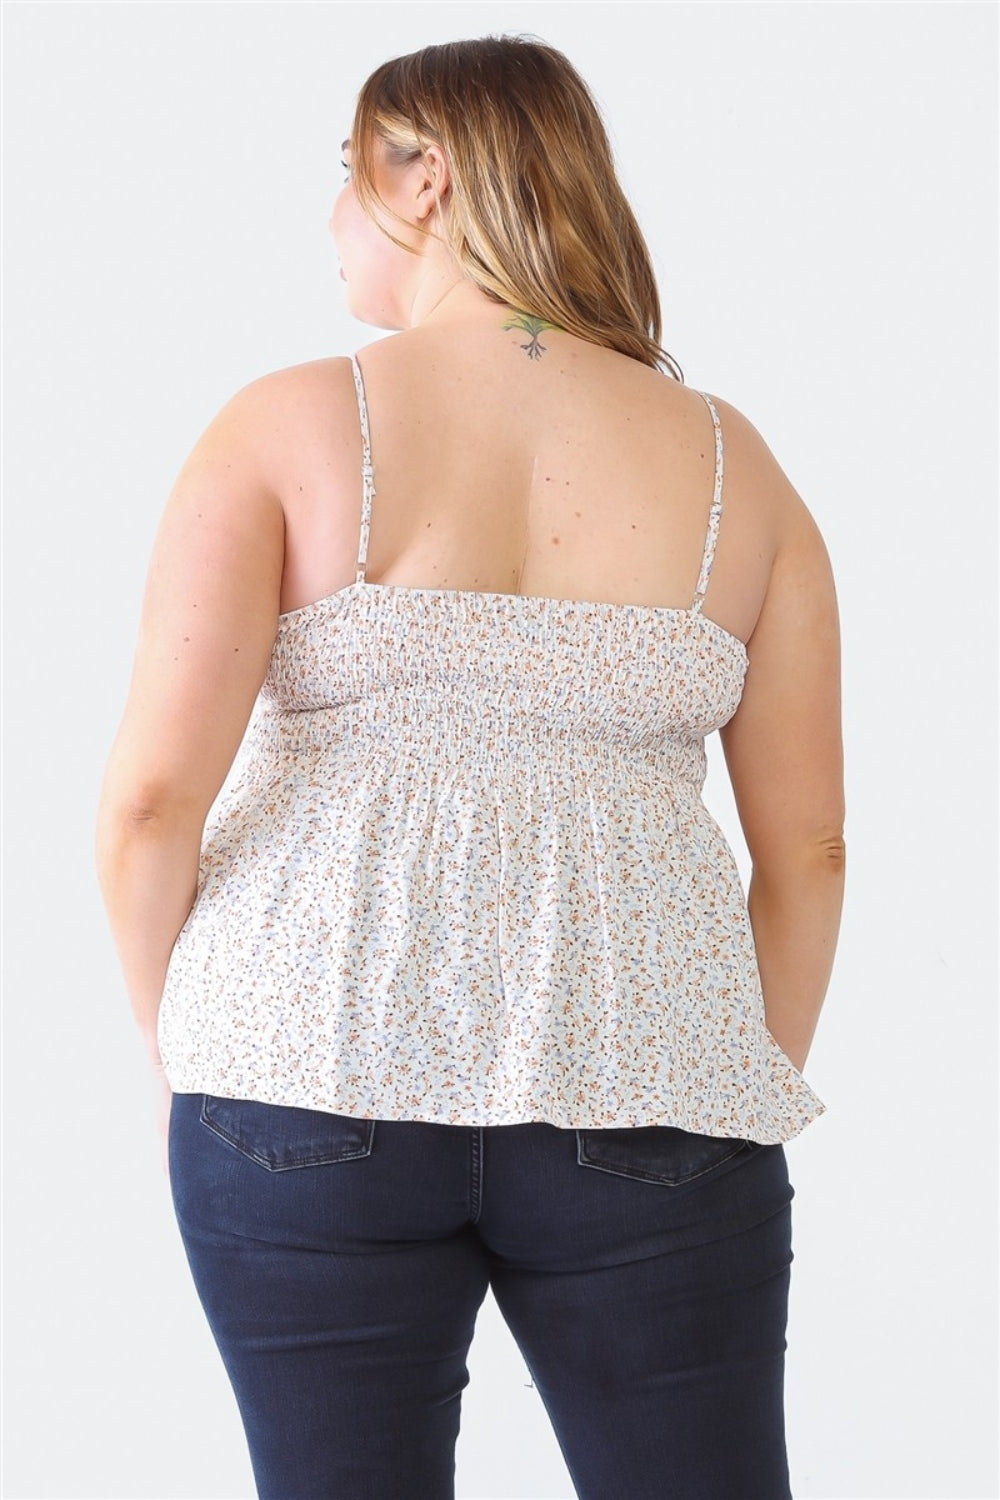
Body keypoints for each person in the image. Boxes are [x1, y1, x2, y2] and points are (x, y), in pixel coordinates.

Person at [95, 32, 845, 1500]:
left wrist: (185, 1042)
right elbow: (808, 849)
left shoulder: (290, 422)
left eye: (345, 175)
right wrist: (729, 1078)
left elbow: (146, 804)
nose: (333, 221)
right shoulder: (730, 464)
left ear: (422, 178)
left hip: (302, 1077)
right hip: (651, 1085)